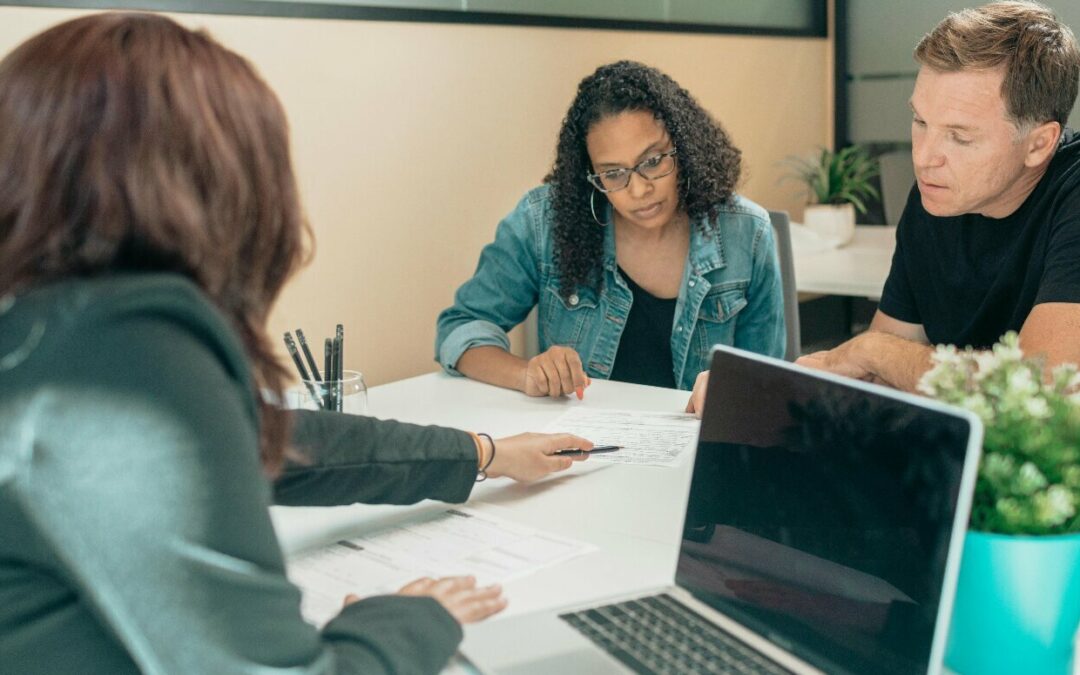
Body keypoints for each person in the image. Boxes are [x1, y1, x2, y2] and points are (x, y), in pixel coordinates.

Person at [0, 13, 595, 674]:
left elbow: (270, 441)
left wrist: (483, 453)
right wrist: (408, 617)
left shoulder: (42, 330)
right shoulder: (120, 355)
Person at [435, 60, 786, 401]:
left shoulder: (746, 232)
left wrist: (734, 390)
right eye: (613, 173)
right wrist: (527, 373)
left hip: (693, 438)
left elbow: (767, 380)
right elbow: (461, 327)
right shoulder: (543, 222)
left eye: (652, 161)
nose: (639, 189)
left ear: (685, 147)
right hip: (577, 437)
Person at [798, 1, 1080, 393]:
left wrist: (876, 350)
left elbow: (1045, 384)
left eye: (959, 137)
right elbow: (875, 380)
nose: (924, 158)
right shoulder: (937, 194)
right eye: (920, 121)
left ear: (1039, 144)